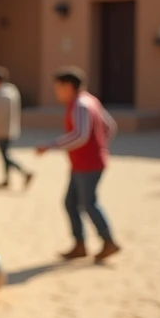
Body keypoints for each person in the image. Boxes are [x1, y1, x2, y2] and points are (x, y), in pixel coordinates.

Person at [36, 66, 121, 262]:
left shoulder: (81, 105)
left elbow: (80, 135)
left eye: (58, 87)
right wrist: (100, 146)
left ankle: (108, 241)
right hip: (82, 163)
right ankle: (80, 244)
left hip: (87, 164)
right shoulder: (90, 101)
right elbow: (109, 127)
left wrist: (50, 145)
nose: (56, 92)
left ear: (68, 86)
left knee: (88, 203)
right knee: (71, 203)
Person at [0, 66, 34, 190]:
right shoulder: (11, 90)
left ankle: (24, 172)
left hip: (3, 129)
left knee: (5, 155)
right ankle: (7, 180)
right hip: (10, 128)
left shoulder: (1, 94)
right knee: (4, 154)